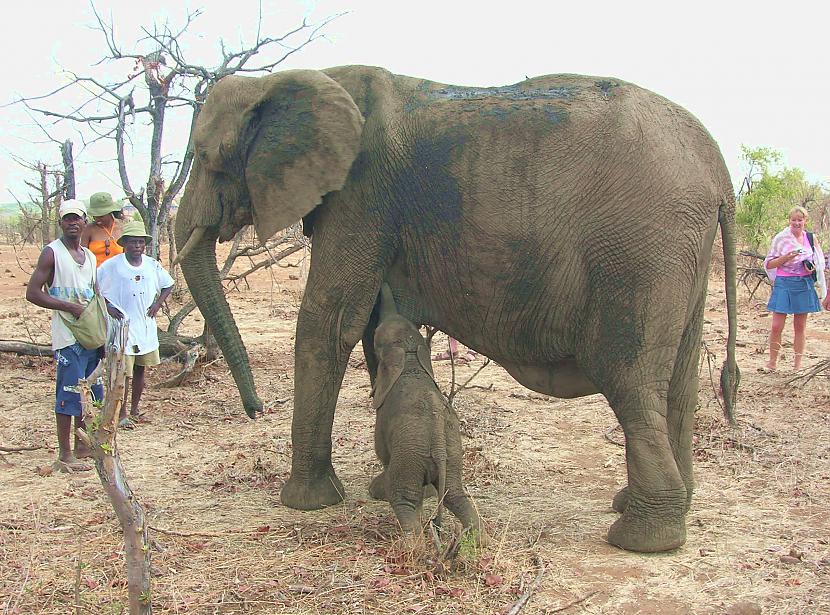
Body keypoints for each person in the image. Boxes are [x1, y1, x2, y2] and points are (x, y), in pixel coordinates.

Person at [26, 199, 104, 471]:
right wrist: (68, 307)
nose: (72, 223)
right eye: (67, 219)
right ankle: (65, 454)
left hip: (90, 336)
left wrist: (103, 334)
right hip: (67, 336)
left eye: (77, 218)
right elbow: (33, 293)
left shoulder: (91, 257)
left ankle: (83, 447)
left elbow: (95, 296)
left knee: (90, 394)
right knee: (68, 395)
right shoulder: (52, 253)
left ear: (85, 222)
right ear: (60, 222)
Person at [97, 220, 174, 428]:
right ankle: (120, 414)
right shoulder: (112, 266)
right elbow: (95, 288)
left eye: (140, 242)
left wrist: (158, 304)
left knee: (141, 370)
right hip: (123, 327)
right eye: (132, 242)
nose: (137, 246)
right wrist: (108, 307)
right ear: (124, 244)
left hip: (145, 326)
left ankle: (135, 410)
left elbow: (168, 284)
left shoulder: (151, 265)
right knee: (123, 372)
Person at [762, 206, 829, 372]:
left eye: (800, 220)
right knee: (777, 325)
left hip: (803, 283)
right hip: (784, 282)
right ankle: (772, 362)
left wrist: (812, 268)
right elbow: (769, 264)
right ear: (789, 220)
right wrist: (786, 257)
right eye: (794, 220)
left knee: (800, 326)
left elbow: (820, 264)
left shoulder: (811, 239)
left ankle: (797, 365)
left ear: (805, 221)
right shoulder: (781, 239)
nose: (797, 223)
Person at [81, 191, 125, 267]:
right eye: (95, 215)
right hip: (95, 276)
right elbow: (82, 256)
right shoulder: (88, 230)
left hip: (118, 275)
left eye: (101, 216)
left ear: (110, 212)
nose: (97, 219)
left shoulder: (122, 228)